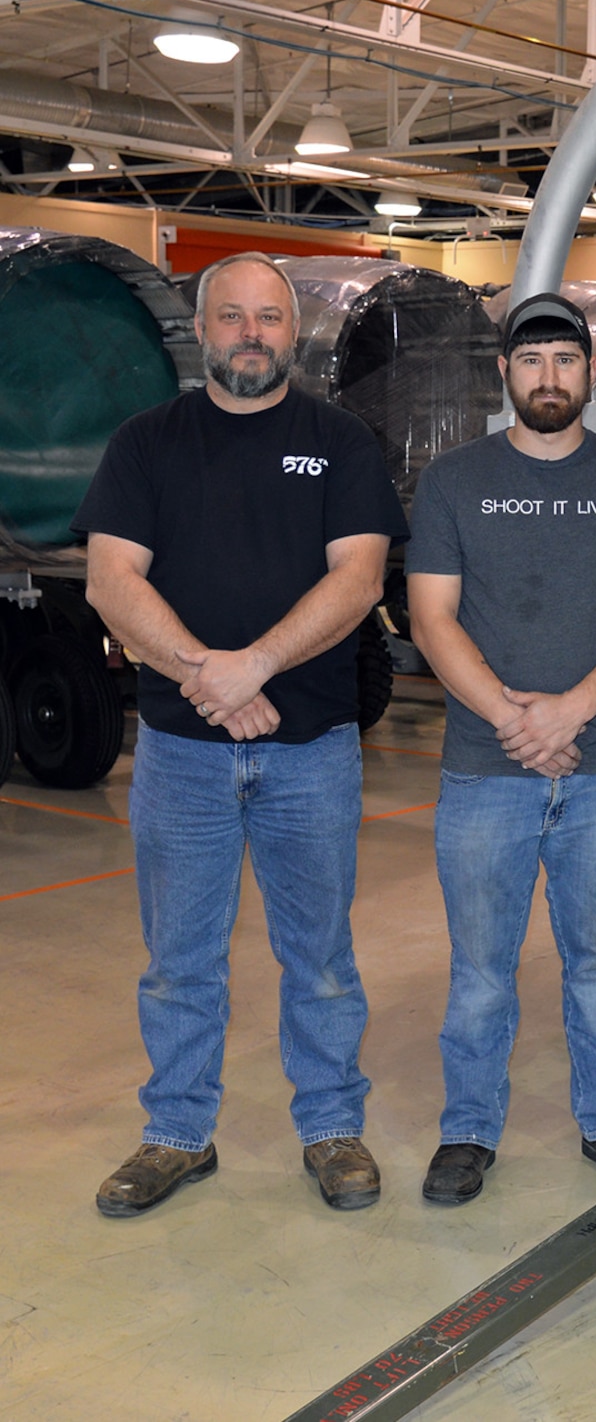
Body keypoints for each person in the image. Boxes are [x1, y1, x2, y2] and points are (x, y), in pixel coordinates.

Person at [78, 251, 407, 1217]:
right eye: (233, 316)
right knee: (180, 959)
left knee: (320, 955)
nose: (251, 334)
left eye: (268, 317)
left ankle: (332, 1127)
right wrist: (205, 677)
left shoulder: (340, 442)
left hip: (310, 751)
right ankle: (176, 1134)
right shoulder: (146, 443)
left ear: (291, 333)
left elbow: (357, 579)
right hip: (182, 755)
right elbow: (110, 581)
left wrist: (252, 667)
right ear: (203, 327)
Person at [406, 292, 596, 1206]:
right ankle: (467, 1130)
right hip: (485, 771)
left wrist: (570, 713)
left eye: (566, 360)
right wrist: (516, 721)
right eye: (531, 361)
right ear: (504, 375)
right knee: (481, 969)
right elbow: (432, 619)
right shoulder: (452, 481)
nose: (549, 377)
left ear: (592, 373)